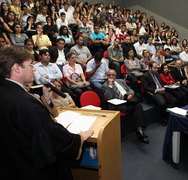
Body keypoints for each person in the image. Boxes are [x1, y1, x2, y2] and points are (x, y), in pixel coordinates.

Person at [0, 47, 93, 180]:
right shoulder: (26, 104)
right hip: (31, 168)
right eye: (31, 64)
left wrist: (45, 100)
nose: (34, 69)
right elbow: (51, 136)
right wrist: (79, 138)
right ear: (16, 68)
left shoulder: (7, 91)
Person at [103, 69, 149, 144]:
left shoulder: (121, 81)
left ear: (115, 76)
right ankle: (139, 130)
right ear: (106, 76)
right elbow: (110, 97)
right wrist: (110, 85)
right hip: (118, 104)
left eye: (113, 75)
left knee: (138, 105)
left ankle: (140, 130)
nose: (111, 77)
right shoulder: (105, 86)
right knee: (135, 106)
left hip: (128, 100)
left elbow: (130, 89)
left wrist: (130, 94)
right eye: (109, 75)